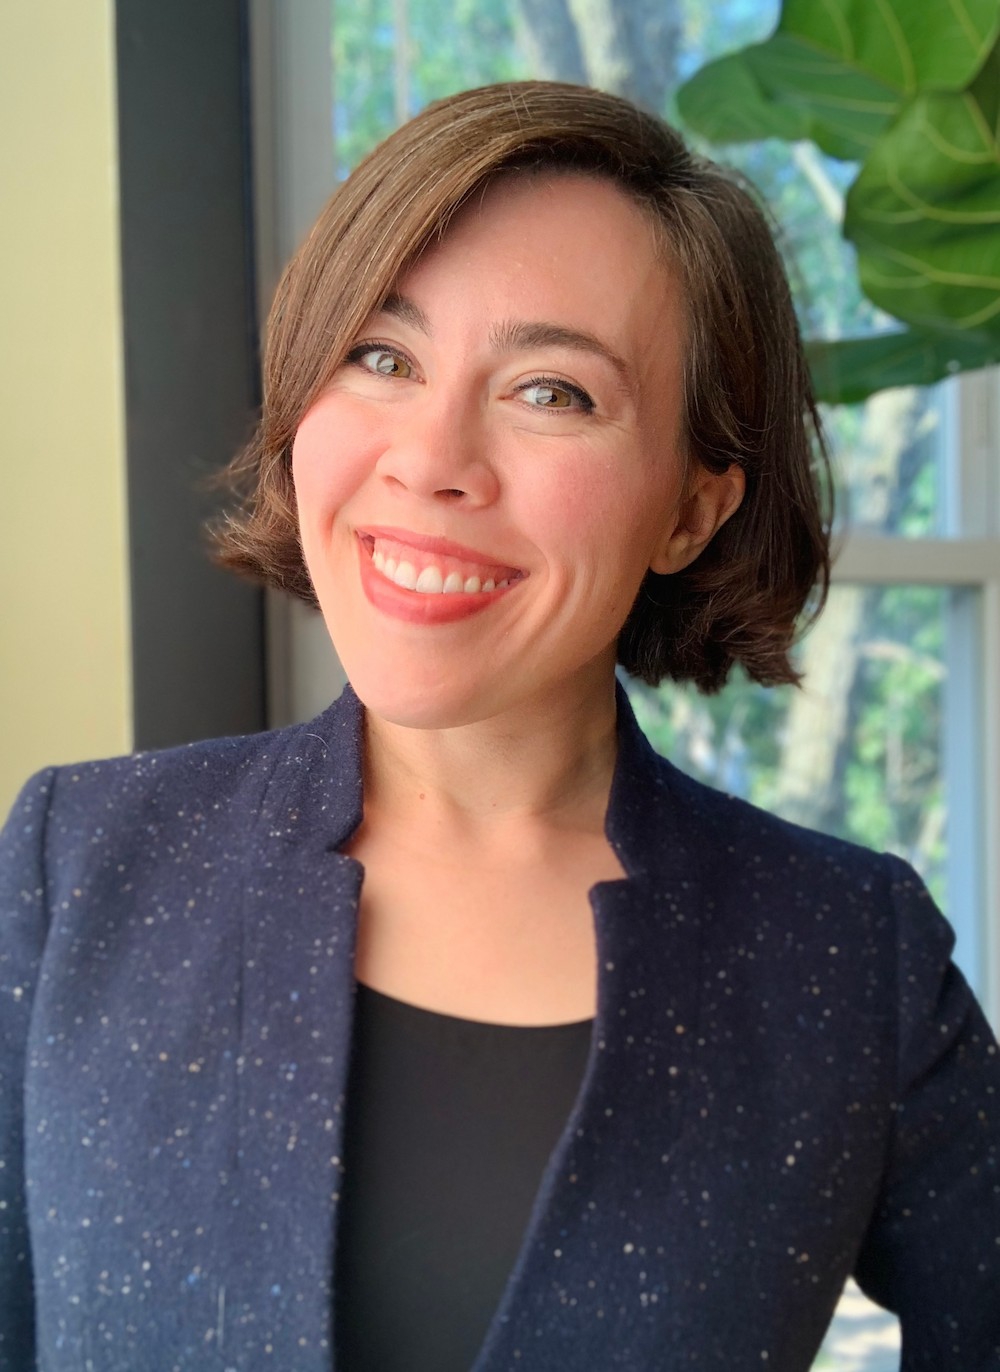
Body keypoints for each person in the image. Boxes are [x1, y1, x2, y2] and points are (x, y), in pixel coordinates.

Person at [1, 80, 997, 1372]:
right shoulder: (79, 865)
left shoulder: (847, 959)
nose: (432, 459)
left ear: (692, 509)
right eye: (382, 356)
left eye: (554, 394)